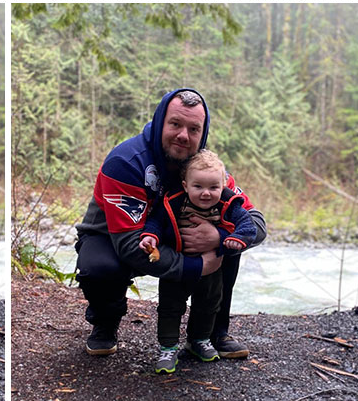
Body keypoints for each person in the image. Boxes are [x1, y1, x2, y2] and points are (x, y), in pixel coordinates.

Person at [75, 88, 266, 360]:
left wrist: (218, 237)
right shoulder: (125, 162)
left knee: (230, 241)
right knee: (100, 268)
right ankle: (105, 322)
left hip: (172, 237)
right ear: (160, 122)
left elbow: (255, 222)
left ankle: (213, 332)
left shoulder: (207, 170)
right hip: (116, 237)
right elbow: (129, 245)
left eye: (193, 129)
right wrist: (195, 266)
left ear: (203, 133)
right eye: (175, 124)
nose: (183, 135)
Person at [138, 148, 257, 373]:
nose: (206, 193)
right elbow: (156, 221)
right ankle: (168, 347)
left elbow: (248, 226)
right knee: (170, 306)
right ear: (185, 185)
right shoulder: (173, 201)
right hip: (178, 264)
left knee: (209, 303)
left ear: (223, 185)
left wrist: (233, 239)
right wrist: (150, 236)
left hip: (212, 266)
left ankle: (199, 340)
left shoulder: (229, 203)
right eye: (198, 187)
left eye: (213, 187)